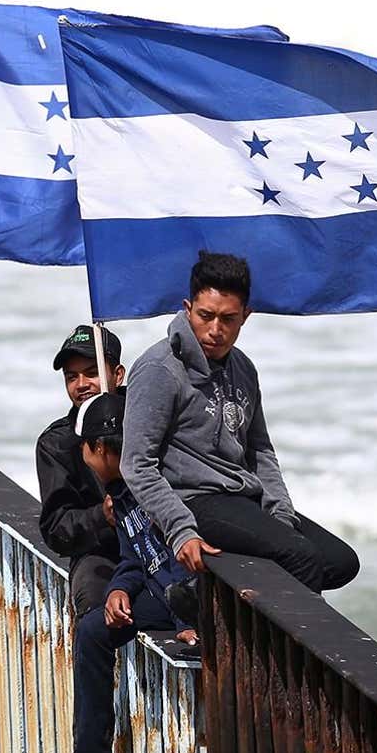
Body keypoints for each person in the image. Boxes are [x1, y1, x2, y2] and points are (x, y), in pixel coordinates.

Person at [121, 251, 360, 592]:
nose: (215, 330)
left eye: (228, 319)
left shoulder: (243, 368)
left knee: (339, 562)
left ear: (245, 316)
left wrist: (280, 513)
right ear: (188, 309)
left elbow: (260, 450)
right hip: (193, 499)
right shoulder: (159, 369)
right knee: (300, 558)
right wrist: (179, 530)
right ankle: (286, 644)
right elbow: (136, 465)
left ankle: (203, 596)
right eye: (206, 316)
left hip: (241, 496)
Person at [50, 391, 197, 753]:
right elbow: (135, 557)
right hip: (153, 588)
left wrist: (187, 621)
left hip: (185, 598)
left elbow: (187, 562)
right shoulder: (119, 491)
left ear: (101, 450)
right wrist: (119, 591)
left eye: (86, 448)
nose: (82, 456)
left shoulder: (156, 486)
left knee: (181, 599)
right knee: (93, 630)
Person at [35, 325, 125, 618]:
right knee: (92, 603)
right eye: (71, 377)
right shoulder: (56, 443)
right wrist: (102, 516)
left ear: (118, 375)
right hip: (102, 552)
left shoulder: (150, 420)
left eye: (92, 372)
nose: (81, 384)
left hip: (164, 542)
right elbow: (55, 529)